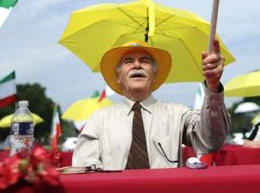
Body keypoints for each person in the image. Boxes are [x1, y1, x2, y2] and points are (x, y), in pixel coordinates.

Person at [73, 40, 229, 169]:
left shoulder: (177, 114)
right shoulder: (99, 120)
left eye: (144, 61)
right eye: (129, 61)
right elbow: (84, 166)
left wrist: (213, 85)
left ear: (154, 76)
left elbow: (211, 140)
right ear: (118, 77)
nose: (137, 65)